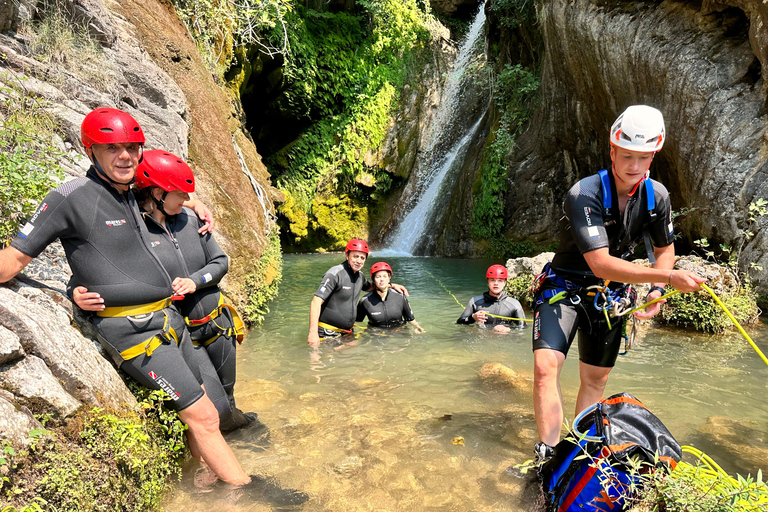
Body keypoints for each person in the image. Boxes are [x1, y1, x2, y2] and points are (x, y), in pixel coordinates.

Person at [0, 108, 250, 488]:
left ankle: (206, 484)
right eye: (112, 147)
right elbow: (14, 259)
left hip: (170, 321)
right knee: (204, 416)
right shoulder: (71, 197)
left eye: (132, 147)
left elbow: (169, 190)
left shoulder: (133, 193)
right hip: (134, 332)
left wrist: (196, 204)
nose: (125, 156)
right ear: (90, 151)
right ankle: (246, 492)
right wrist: (72, 292)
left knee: (206, 407)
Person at [530, 105, 706, 462]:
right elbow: (601, 263)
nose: (634, 166)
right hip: (564, 285)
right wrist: (668, 278)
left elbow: (665, 249)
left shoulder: (656, 197)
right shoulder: (584, 194)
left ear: (653, 157)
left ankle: (578, 449)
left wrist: (657, 290)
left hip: (609, 296)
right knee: (545, 367)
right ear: (612, 151)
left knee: (595, 379)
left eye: (644, 158)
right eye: (627, 155)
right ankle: (547, 453)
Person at [73, 149, 253, 432]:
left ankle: (243, 431)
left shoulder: (191, 221)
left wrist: (196, 280)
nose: (187, 199)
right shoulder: (136, 232)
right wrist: (75, 289)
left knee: (228, 394)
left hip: (218, 323)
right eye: (180, 194)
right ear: (158, 194)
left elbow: (220, 261)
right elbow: (99, 262)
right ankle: (231, 438)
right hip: (182, 333)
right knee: (216, 408)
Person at [307, 239, 408, 347]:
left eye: (362, 258)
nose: (359, 261)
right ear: (347, 255)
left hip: (346, 333)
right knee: (319, 361)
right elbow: (316, 301)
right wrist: (313, 333)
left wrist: (391, 285)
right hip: (327, 331)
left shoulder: (360, 276)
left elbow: (372, 287)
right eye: (355, 256)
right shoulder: (335, 274)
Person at [356, 261, 425, 333]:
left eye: (385, 276)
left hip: (399, 333)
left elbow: (410, 319)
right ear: (373, 280)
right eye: (378, 277)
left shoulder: (400, 297)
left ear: (389, 278)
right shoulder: (365, 301)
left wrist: (418, 327)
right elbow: (356, 322)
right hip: (376, 335)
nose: (381, 279)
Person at [456, 264, 526, 333]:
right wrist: (473, 317)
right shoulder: (475, 302)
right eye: (492, 280)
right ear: (488, 282)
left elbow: (523, 327)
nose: (496, 283)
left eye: (500, 280)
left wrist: (509, 329)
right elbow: (459, 323)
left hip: (504, 340)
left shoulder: (514, 304)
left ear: (505, 282)